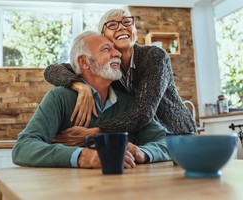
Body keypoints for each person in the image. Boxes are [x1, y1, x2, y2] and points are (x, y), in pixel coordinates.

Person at [12, 31, 171, 168]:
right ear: (84, 62)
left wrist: (142, 152)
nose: (117, 54)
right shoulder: (59, 98)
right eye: (106, 49)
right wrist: (84, 157)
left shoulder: (129, 103)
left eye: (115, 49)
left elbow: (168, 142)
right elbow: (23, 148)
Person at [43, 9, 196, 144]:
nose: (122, 27)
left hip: (176, 136)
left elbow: (143, 113)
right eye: (112, 25)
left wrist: (94, 133)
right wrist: (80, 86)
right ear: (103, 36)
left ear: (134, 30)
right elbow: (52, 70)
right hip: (143, 140)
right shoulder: (106, 68)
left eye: (127, 22)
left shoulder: (155, 56)